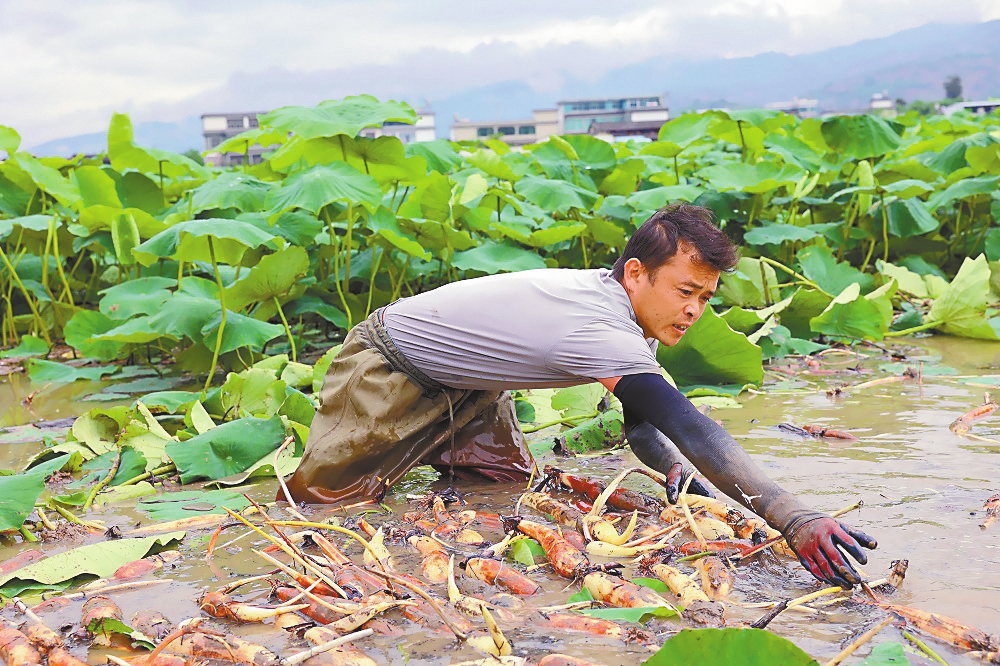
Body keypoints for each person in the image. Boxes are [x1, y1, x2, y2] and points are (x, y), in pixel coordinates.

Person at [286, 204, 877, 589]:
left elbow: (646, 423)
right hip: (390, 368)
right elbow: (691, 425)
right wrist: (792, 517)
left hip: (475, 388)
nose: (694, 311)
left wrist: (674, 471)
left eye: (705, 298)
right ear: (636, 274)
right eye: (684, 291)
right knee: (322, 507)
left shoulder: (619, 319)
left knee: (497, 489)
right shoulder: (597, 328)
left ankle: (457, 571)